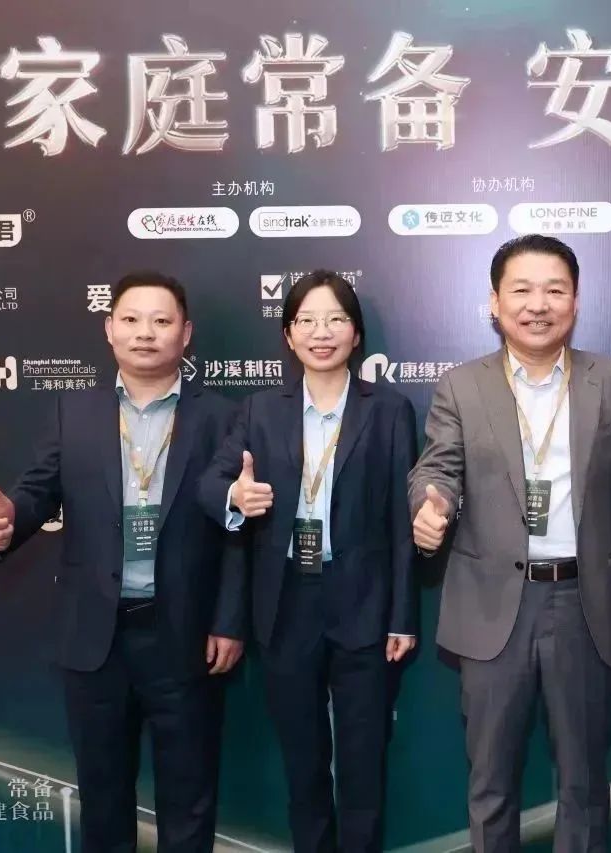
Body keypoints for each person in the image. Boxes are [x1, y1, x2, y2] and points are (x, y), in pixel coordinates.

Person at [0, 272, 245, 853]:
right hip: (95, 636)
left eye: (161, 320)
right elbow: (37, 491)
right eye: (131, 319)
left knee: (190, 797)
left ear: (186, 333)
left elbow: (237, 531)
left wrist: (228, 620)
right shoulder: (74, 410)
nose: (145, 332)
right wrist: (5, 523)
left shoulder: (223, 418)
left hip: (185, 635)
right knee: (103, 798)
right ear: (109, 329)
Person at [409, 234, 611, 852]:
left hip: (584, 603)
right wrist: (429, 507)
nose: (537, 304)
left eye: (554, 290)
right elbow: (437, 469)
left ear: (576, 300)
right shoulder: (461, 386)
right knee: (491, 783)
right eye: (521, 290)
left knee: (584, 783)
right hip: (492, 604)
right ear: (495, 302)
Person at [199, 270, 417, 853]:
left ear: (356, 332)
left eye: (336, 319)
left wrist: (402, 614)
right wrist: (235, 495)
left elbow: (401, 520)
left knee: (364, 768)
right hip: (285, 604)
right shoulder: (259, 411)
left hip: (364, 606)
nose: (322, 333)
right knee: (303, 767)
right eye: (308, 321)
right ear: (289, 335)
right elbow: (210, 483)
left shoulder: (389, 410)